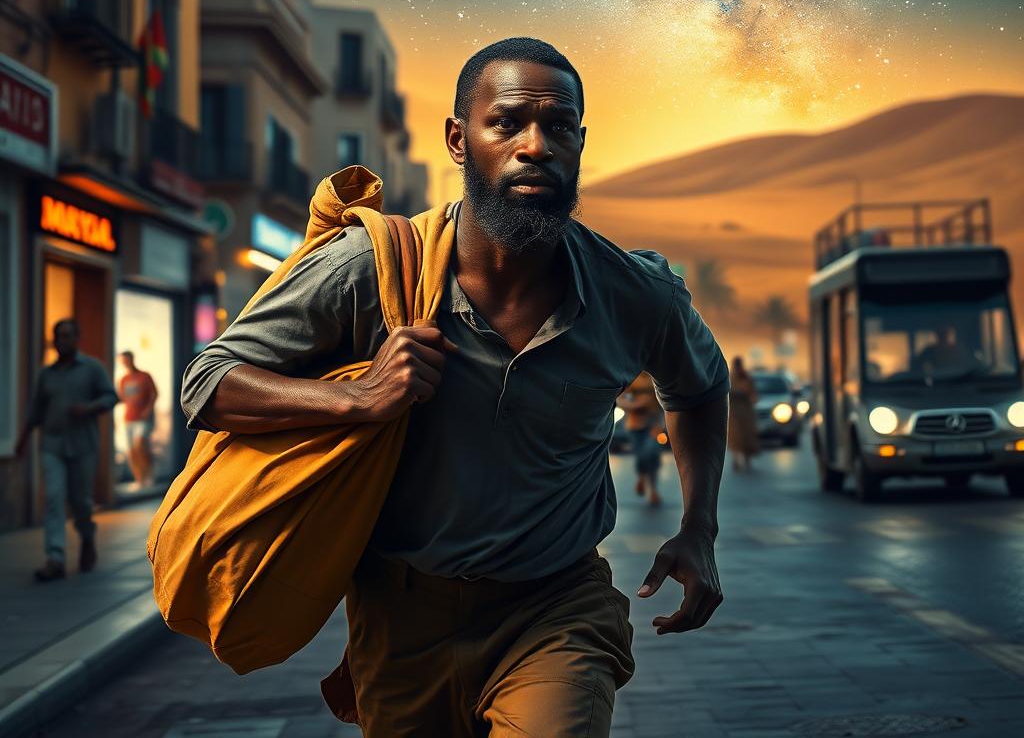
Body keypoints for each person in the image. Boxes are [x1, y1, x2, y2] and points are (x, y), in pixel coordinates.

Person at [180, 37, 731, 737]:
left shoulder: (635, 291)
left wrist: (699, 526)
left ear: (579, 143)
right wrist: (358, 397)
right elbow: (207, 382)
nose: (536, 146)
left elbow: (700, 388)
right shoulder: (368, 269)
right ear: (459, 139)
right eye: (506, 123)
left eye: (558, 127)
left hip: (556, 604)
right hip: (399, 617)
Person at [15, 319, 119, 581]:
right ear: (54, 341)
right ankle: (55, 557)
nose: (64, 341)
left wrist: (89, 408)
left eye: (68, 336)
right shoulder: (46, 374)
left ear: (77, 339)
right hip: (52, 445)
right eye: (59, 337)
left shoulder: (92, 368)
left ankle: (86, 536)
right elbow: (35, 411)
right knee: (52, 498)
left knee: (80, 502)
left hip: (83, 445)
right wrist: (22, 441)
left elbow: (111, 397)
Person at [617, 373, 665, 507]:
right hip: (635, 425)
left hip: (654, 425)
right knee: (642, 456)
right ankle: (642, 477)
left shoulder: (657, 376)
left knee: (652, 454)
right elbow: (621, 400)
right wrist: (637, 404)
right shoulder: (632, 378)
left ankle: (653, 490)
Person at [117, 351, 158, 487]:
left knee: (140, 445)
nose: (125, 363)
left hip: (143, 418)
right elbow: (121, 398)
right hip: (128, 418)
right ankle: (139, 479)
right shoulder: (123, 380)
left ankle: (149, 475)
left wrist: (148, 409)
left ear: (132, 359)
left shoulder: (144, 376)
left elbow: (154, 393)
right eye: (122, 361)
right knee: (131, 450)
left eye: (126, 360)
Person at [727, 356, 760, 472]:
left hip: (746, 412)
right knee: (735, 437)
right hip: (734, 413)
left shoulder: (746, 377)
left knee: (747, 436)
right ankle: (736, 459)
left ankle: (747, 459)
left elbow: (753, 394)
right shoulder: (729, 378)